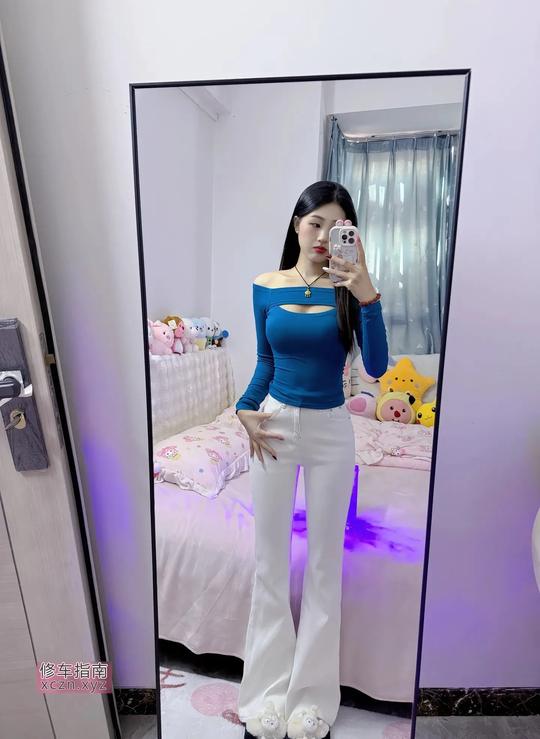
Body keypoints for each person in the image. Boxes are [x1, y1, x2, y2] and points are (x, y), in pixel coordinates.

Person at [235, 181, 388, 739]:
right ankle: (266, 692)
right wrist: (243, 408)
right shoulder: (264, 286)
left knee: (325, 566)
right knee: (269, 563)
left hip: (330, 433)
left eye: (337, 226)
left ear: (351, 234)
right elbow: (265, 361)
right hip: (274, 426)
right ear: (296, 225)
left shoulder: (350, 290)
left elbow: (376, 367)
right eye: (315, 222)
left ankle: (312, 698)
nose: (323, 235)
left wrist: (367, 293)